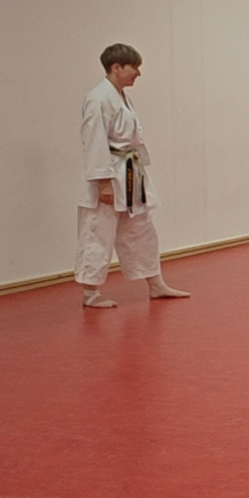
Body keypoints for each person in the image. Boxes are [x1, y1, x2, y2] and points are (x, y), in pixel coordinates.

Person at [76, 44, 189, 308]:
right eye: (134, 67)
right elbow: (93, 141)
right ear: (117, 67)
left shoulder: (121, 96)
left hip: (129, 170)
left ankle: (155, 283)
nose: (137, 73)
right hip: (109, 173)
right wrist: (102, 183)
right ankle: (90, 292)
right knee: (98, 231)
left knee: (141, 228)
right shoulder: (98, 98)